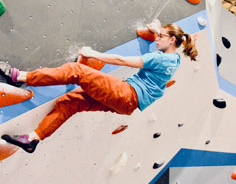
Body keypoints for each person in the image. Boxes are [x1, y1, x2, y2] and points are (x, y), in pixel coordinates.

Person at [1, 20, 198, 153]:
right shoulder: (174, 60)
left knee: (76, 71)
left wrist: (92, 52)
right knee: (71, 103)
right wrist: (157, 29)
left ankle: (18, 76)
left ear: (172, 40)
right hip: (127, 106)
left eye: (161, 36)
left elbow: (123, 60)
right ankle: (33, 138)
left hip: (126, 94)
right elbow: (165, 42)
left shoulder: (161, 58)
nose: (157, 39)